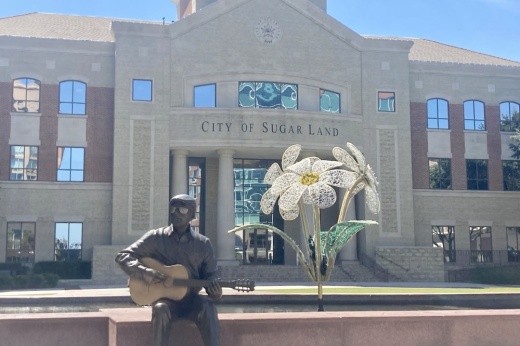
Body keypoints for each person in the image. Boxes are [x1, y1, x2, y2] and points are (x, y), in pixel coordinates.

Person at [115, 194, 222, 346]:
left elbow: (211, 275)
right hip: (166, 301)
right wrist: (145, 272)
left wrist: (215, 291)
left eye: (182, 209)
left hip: (191, 300)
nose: (175, 212)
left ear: (192, 215)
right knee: (160, 309)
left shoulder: (203, 244)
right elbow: (123, 256)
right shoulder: (156, 238)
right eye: (173, 208)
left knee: (208, 308)